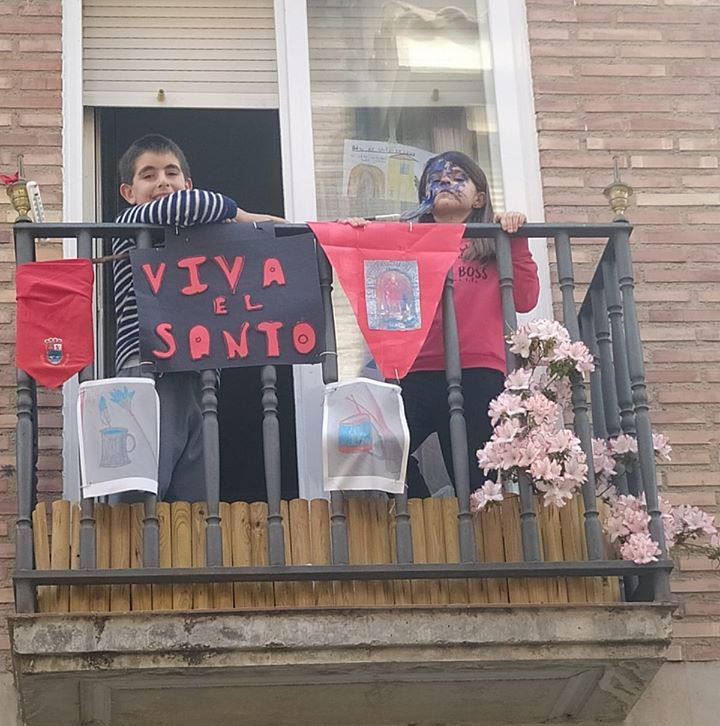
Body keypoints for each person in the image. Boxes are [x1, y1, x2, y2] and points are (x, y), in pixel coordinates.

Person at [342, 150, 540, 496]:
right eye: (436, 180)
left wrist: (515, 239)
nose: (445, 184)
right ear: (425, 199)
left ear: (479, 197)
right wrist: (360, 235)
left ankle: (469, 534)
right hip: (418, 369)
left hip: (479, 371)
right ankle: (424, 510)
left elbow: (525, 299)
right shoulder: (409, 243)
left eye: (456, 178)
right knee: (381, 451)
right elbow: (377, 286)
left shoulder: (493, 242)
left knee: (475, 475)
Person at [112, 133, 283, 501]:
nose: (162, 182)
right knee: (140, 490)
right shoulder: (131, 222)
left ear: (186, 181)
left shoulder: (202, 233)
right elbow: (190, 205)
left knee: (193, 497)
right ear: (128, 192)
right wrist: (244, 216)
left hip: (198, 371)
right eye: (149, 174)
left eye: (171, 173)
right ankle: (133, 557)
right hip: (147, 368)